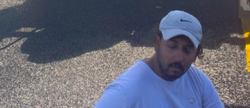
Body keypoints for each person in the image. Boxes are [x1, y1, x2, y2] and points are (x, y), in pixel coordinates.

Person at [94, 10, 224, 108]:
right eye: (172, 46)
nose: (179, 57)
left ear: (196, 54)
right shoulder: (126, 92)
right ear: (157, 43)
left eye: (187, 50)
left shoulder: (197, 81)